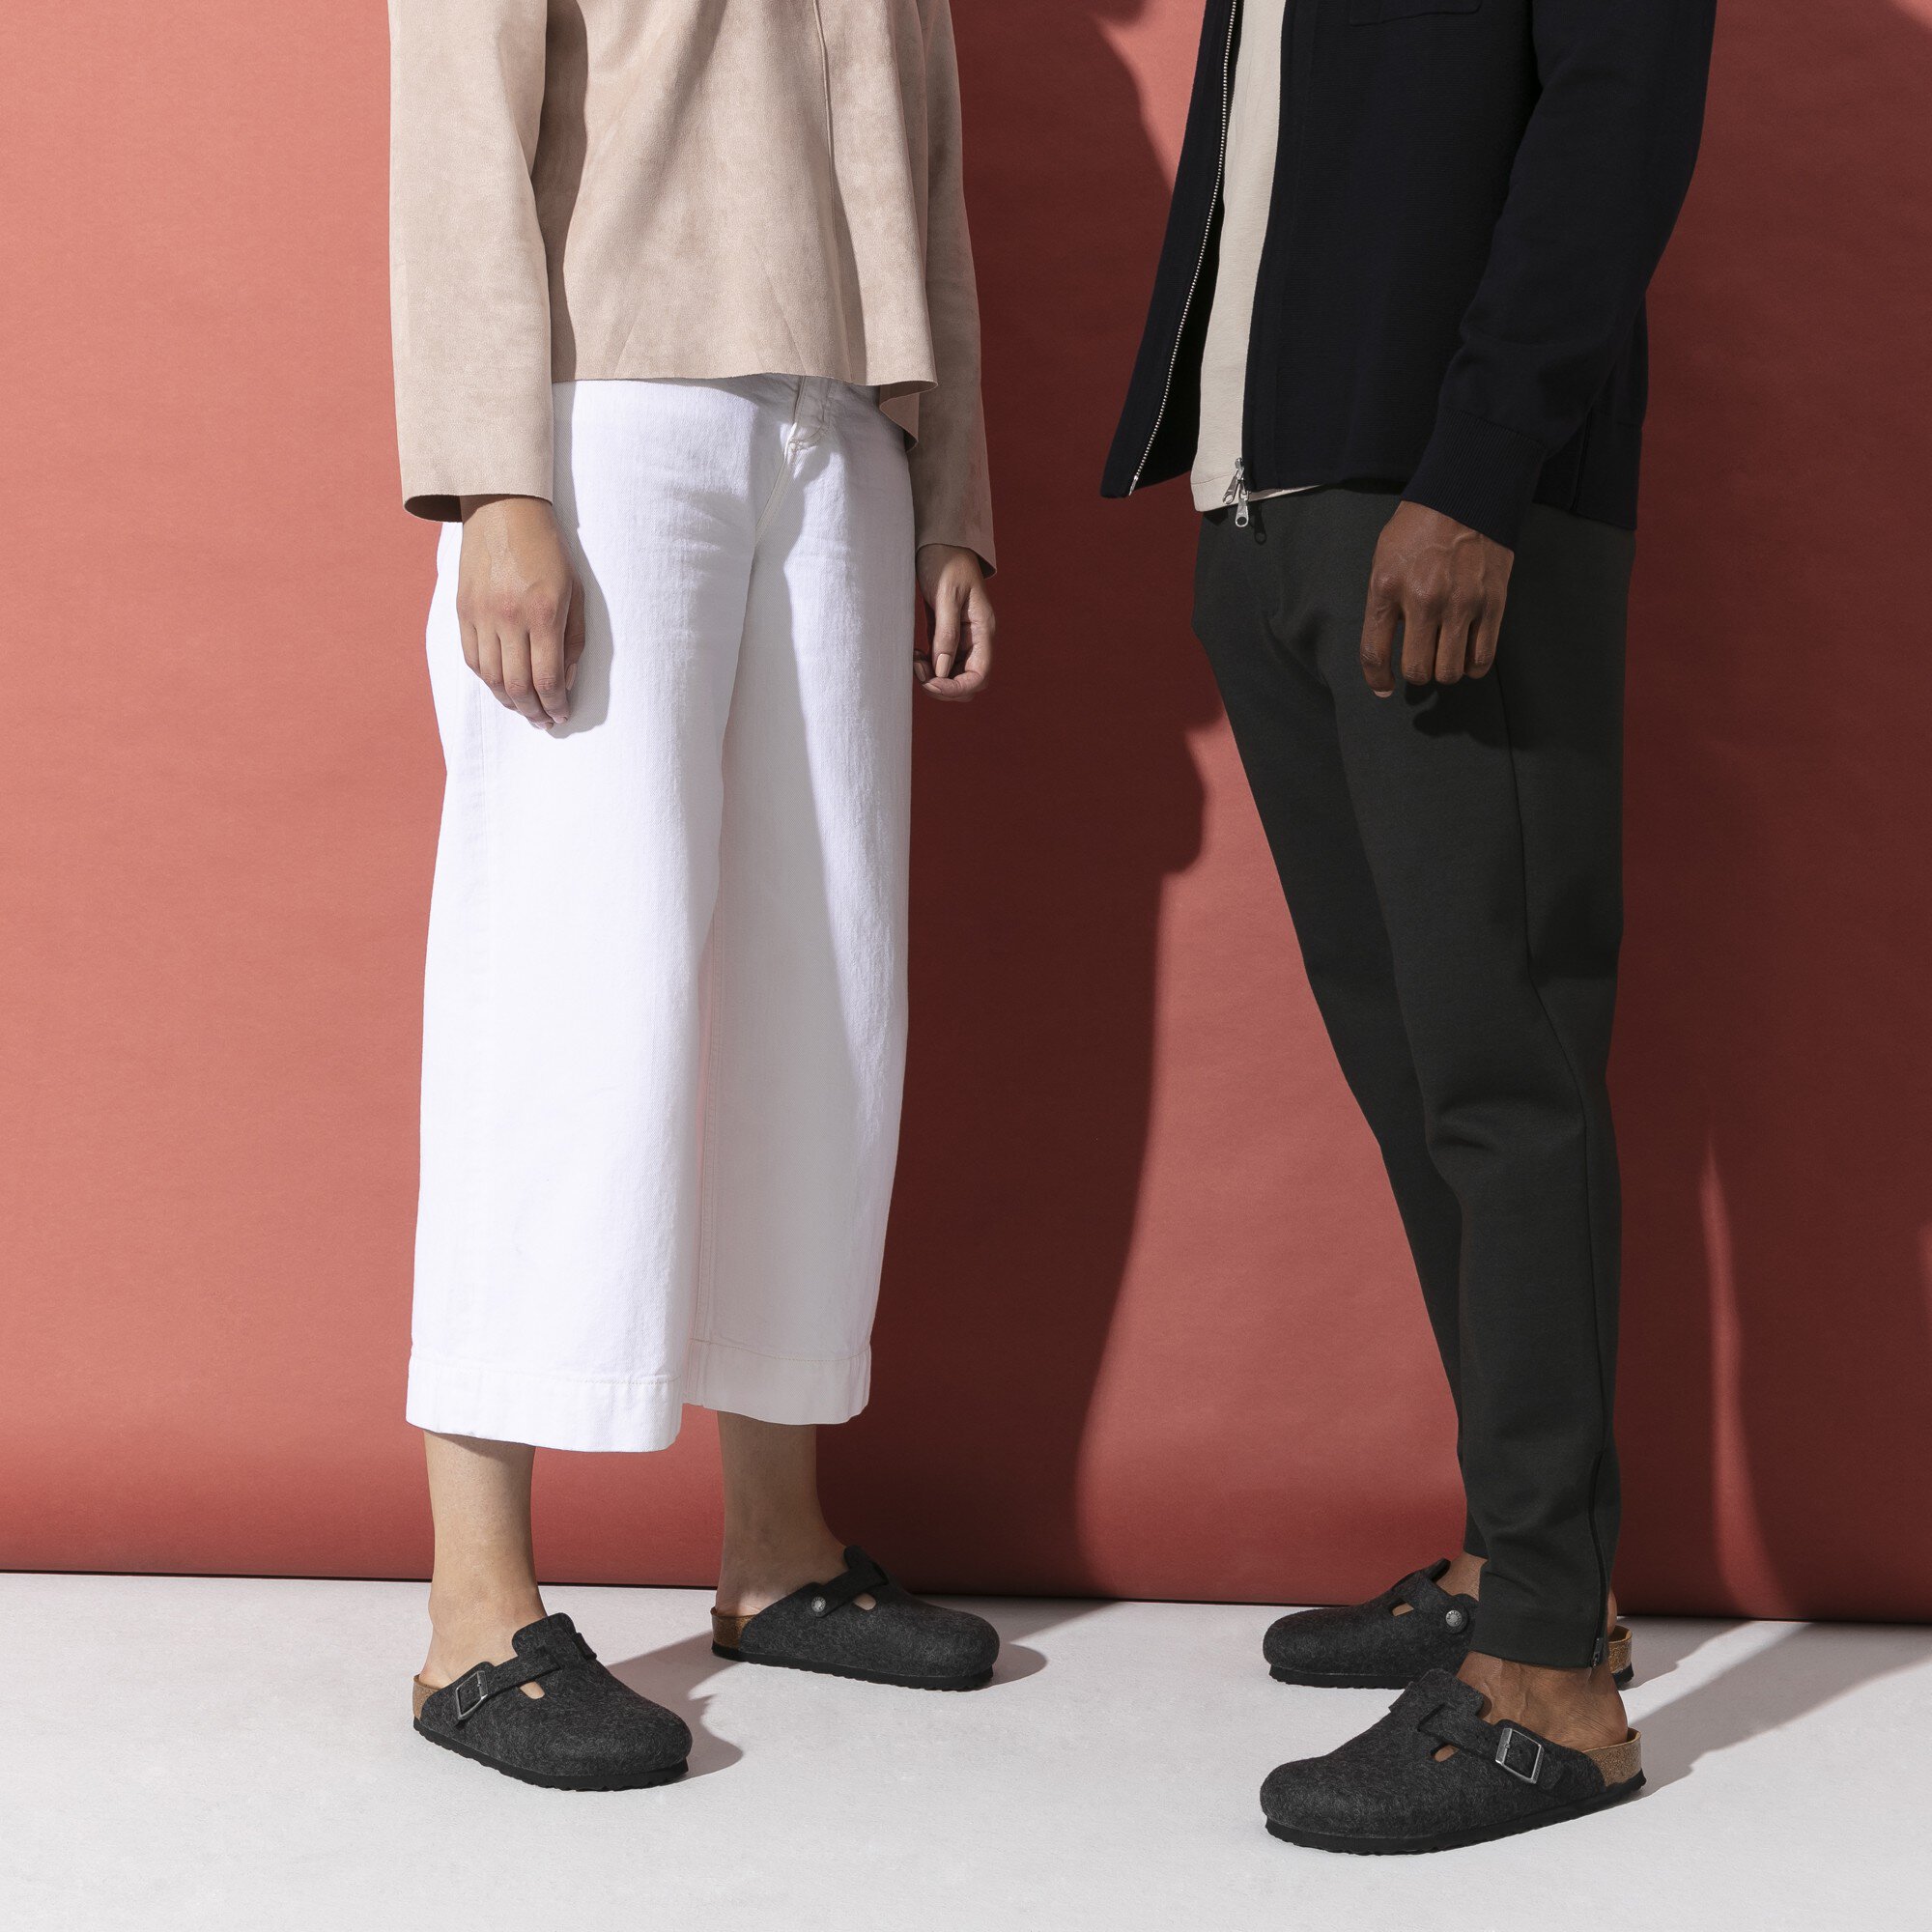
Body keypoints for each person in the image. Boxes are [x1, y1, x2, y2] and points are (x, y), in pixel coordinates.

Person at [1105, 0, 1715, 1852]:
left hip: (1442, 506)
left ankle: (1548, 1682)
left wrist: (1480, 468)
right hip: (1273, 502)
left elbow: (1618, 112)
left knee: (1502, 1075)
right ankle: (1523, 1566)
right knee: (1416, 1071)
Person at [387, 0, 1001, 1791]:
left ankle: (780, 1549)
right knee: (568, 978)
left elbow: (929, 167)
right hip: (610, 411)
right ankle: (475, 1612)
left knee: (830, 991)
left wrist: (950, 492)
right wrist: (494, 478)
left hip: (845, 427)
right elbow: (458, 118)